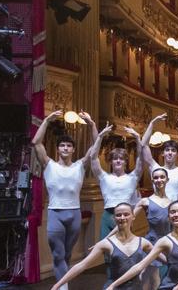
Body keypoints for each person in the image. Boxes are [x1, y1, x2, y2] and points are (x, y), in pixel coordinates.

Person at [32, 109, 96, 280]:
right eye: (62, 145)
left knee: (66, 254)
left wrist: (92, 124)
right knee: (58, 254)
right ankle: (63, 286)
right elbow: (36, 143)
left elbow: (95, 148)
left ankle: (62, 281)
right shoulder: (49, 164)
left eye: (69, 145)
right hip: (55, 213)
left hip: (74, 213)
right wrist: (46, 121)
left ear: (73, 150)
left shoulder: (80, 166)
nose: (65, 148)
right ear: (58, 148)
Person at [127, 167, 178, 288]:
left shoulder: (172, 204)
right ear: (152, 180)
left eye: (162, 177)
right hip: (153, 243)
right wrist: (110, 237)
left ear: (167, 180)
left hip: (171, 244)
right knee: (150, 282)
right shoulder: (145, 201)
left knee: (170, 276)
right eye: (156, 177)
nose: (159, 180)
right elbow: (127, 220)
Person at [107, 200, 178, 289]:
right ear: (169, 216)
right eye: (173, 212)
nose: (176, 215)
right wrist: (113, 285)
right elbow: (140, 266)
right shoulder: (164, 241)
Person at [51, 202, 151, 290]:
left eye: (126, 214)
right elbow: (82, 265)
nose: (122, 218)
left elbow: (164, 257)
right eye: (118, 215)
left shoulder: (143, 242)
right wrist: (58, 285)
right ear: (114, 218)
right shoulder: (106, 243)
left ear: (133, 216)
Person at [90, 125, 144, 240]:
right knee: (106, 250)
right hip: (107, 215)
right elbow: (93, 158)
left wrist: (138, 139)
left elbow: (141, 159)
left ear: (126, 162)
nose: (118, 161)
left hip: (125, 216)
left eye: (121, 158)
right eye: (115, 158)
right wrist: (100, 137)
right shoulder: (104, 177)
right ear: (111, 161)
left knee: (125, 249)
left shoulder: (133, 177)